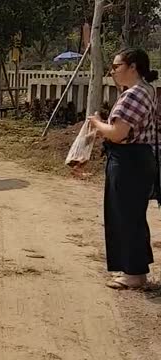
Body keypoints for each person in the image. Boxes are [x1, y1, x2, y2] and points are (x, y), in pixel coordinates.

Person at [88, 48, 160, 290]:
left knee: (124, 216)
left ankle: (132, 273)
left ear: (133, 67)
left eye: (117, 66)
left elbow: (118, 134)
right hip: (139, 160)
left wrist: (97, 123)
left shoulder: (134, 95)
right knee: (133, 217)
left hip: (128, 162)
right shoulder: (146, 90)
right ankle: (136, 271)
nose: (113, 71)